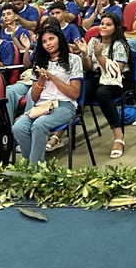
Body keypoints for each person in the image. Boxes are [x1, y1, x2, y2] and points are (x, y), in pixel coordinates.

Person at [12, 24, 83, 164]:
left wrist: (53, 78)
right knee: (18, 127)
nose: (48, 44)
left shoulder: (74, 60)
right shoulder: (40, 62)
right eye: (44, 41)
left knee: (39, 125)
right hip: (42, 105)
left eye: (51, 39)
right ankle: (35, 166)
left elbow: (75, 94)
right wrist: (42, 79)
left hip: (65, 105)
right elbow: (33, 97)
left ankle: (33, 170)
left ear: (59, 39)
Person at [81, 12, 132, 159]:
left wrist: (99, 56)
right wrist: (85, 55)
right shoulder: (93, 41)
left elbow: (116, 72)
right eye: (102, 24)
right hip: (98, 76)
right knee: (82, 91)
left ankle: (119, 137)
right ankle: (60, 132)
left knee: (102, 94)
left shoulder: (120, 44)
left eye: (108, 24)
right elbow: (89, 68)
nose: (103, 27)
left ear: (116, 27)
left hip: (118, 80)